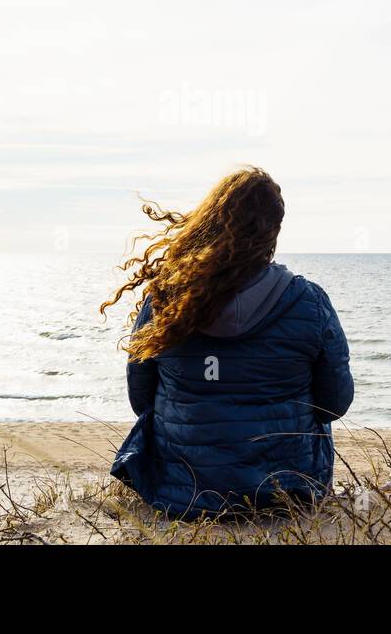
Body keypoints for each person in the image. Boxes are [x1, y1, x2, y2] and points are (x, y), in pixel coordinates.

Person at [101, 166, 353, 517]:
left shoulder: (166, 299)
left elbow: (140, 397)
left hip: (181, 496)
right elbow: (335, 402)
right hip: (286, 496)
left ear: (210, 221)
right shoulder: (309, 302)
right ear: (274, 230)